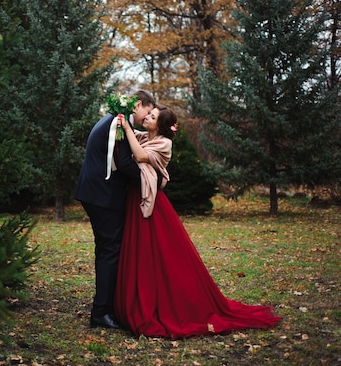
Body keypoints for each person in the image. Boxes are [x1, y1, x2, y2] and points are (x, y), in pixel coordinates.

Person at [114, 106, 281, 338]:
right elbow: (131, 142)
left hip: (152, 204)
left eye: (152, 116)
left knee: (159, 252)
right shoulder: (143, 136)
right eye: (148, 114)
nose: (147, 117)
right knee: (140, 250)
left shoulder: (164, 143)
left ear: (161, 126)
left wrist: (125, 128)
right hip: (137, 198)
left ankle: (165, 302)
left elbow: (141, 156)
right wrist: (122, 121)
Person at [74, 89, 156, 329]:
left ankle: (108, 306)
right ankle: (101, 312)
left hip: (96, 193)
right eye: (148, 112)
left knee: (107, 250)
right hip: (102, 196)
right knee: (110, 251)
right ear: (138, 104)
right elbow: (124, 163)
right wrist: (153, 183)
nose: (147, 118)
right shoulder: (118, 124)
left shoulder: (117, 120)